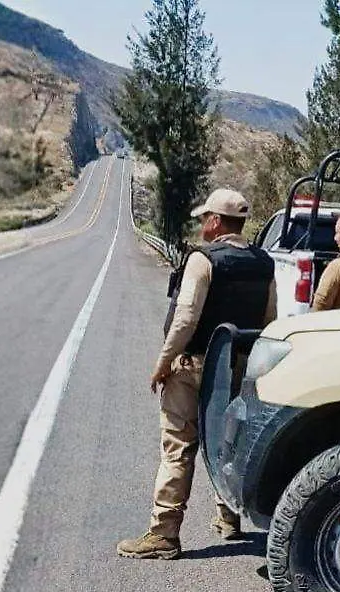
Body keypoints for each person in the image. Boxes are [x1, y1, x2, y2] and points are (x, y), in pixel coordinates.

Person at [117, 188, 276, 561]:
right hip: (236, 365)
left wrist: (162, 363)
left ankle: (164, 534)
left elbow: (186, 317)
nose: (203, 223)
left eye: (206, 217)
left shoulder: (203, 260)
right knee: (228, 442)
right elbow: (270, 320)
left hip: (193, 364)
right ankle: (228, 518)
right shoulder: (264, 263)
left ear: (217, 222)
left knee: (178, 446)